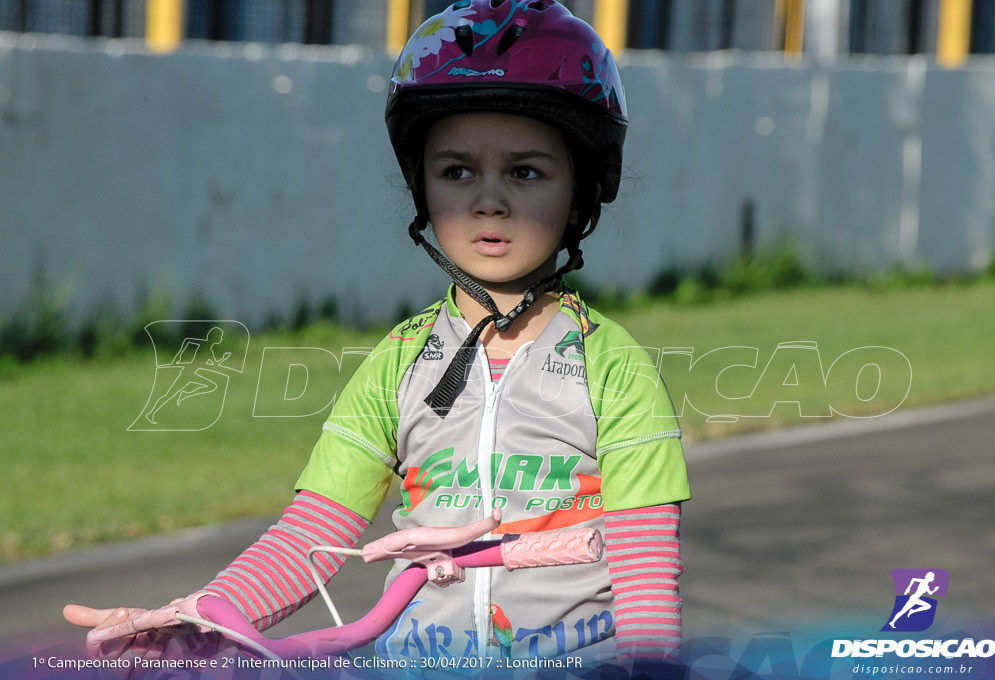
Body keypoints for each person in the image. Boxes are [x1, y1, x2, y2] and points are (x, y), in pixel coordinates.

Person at [65, 0, 690, 669]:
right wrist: (203, 618)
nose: (490, 200)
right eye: (457, 171)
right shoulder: (400, 361)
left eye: (526, 171)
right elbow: (310, 537)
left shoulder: (611, 363)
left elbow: (644, 567)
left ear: (584, 189)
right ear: (421, 189)